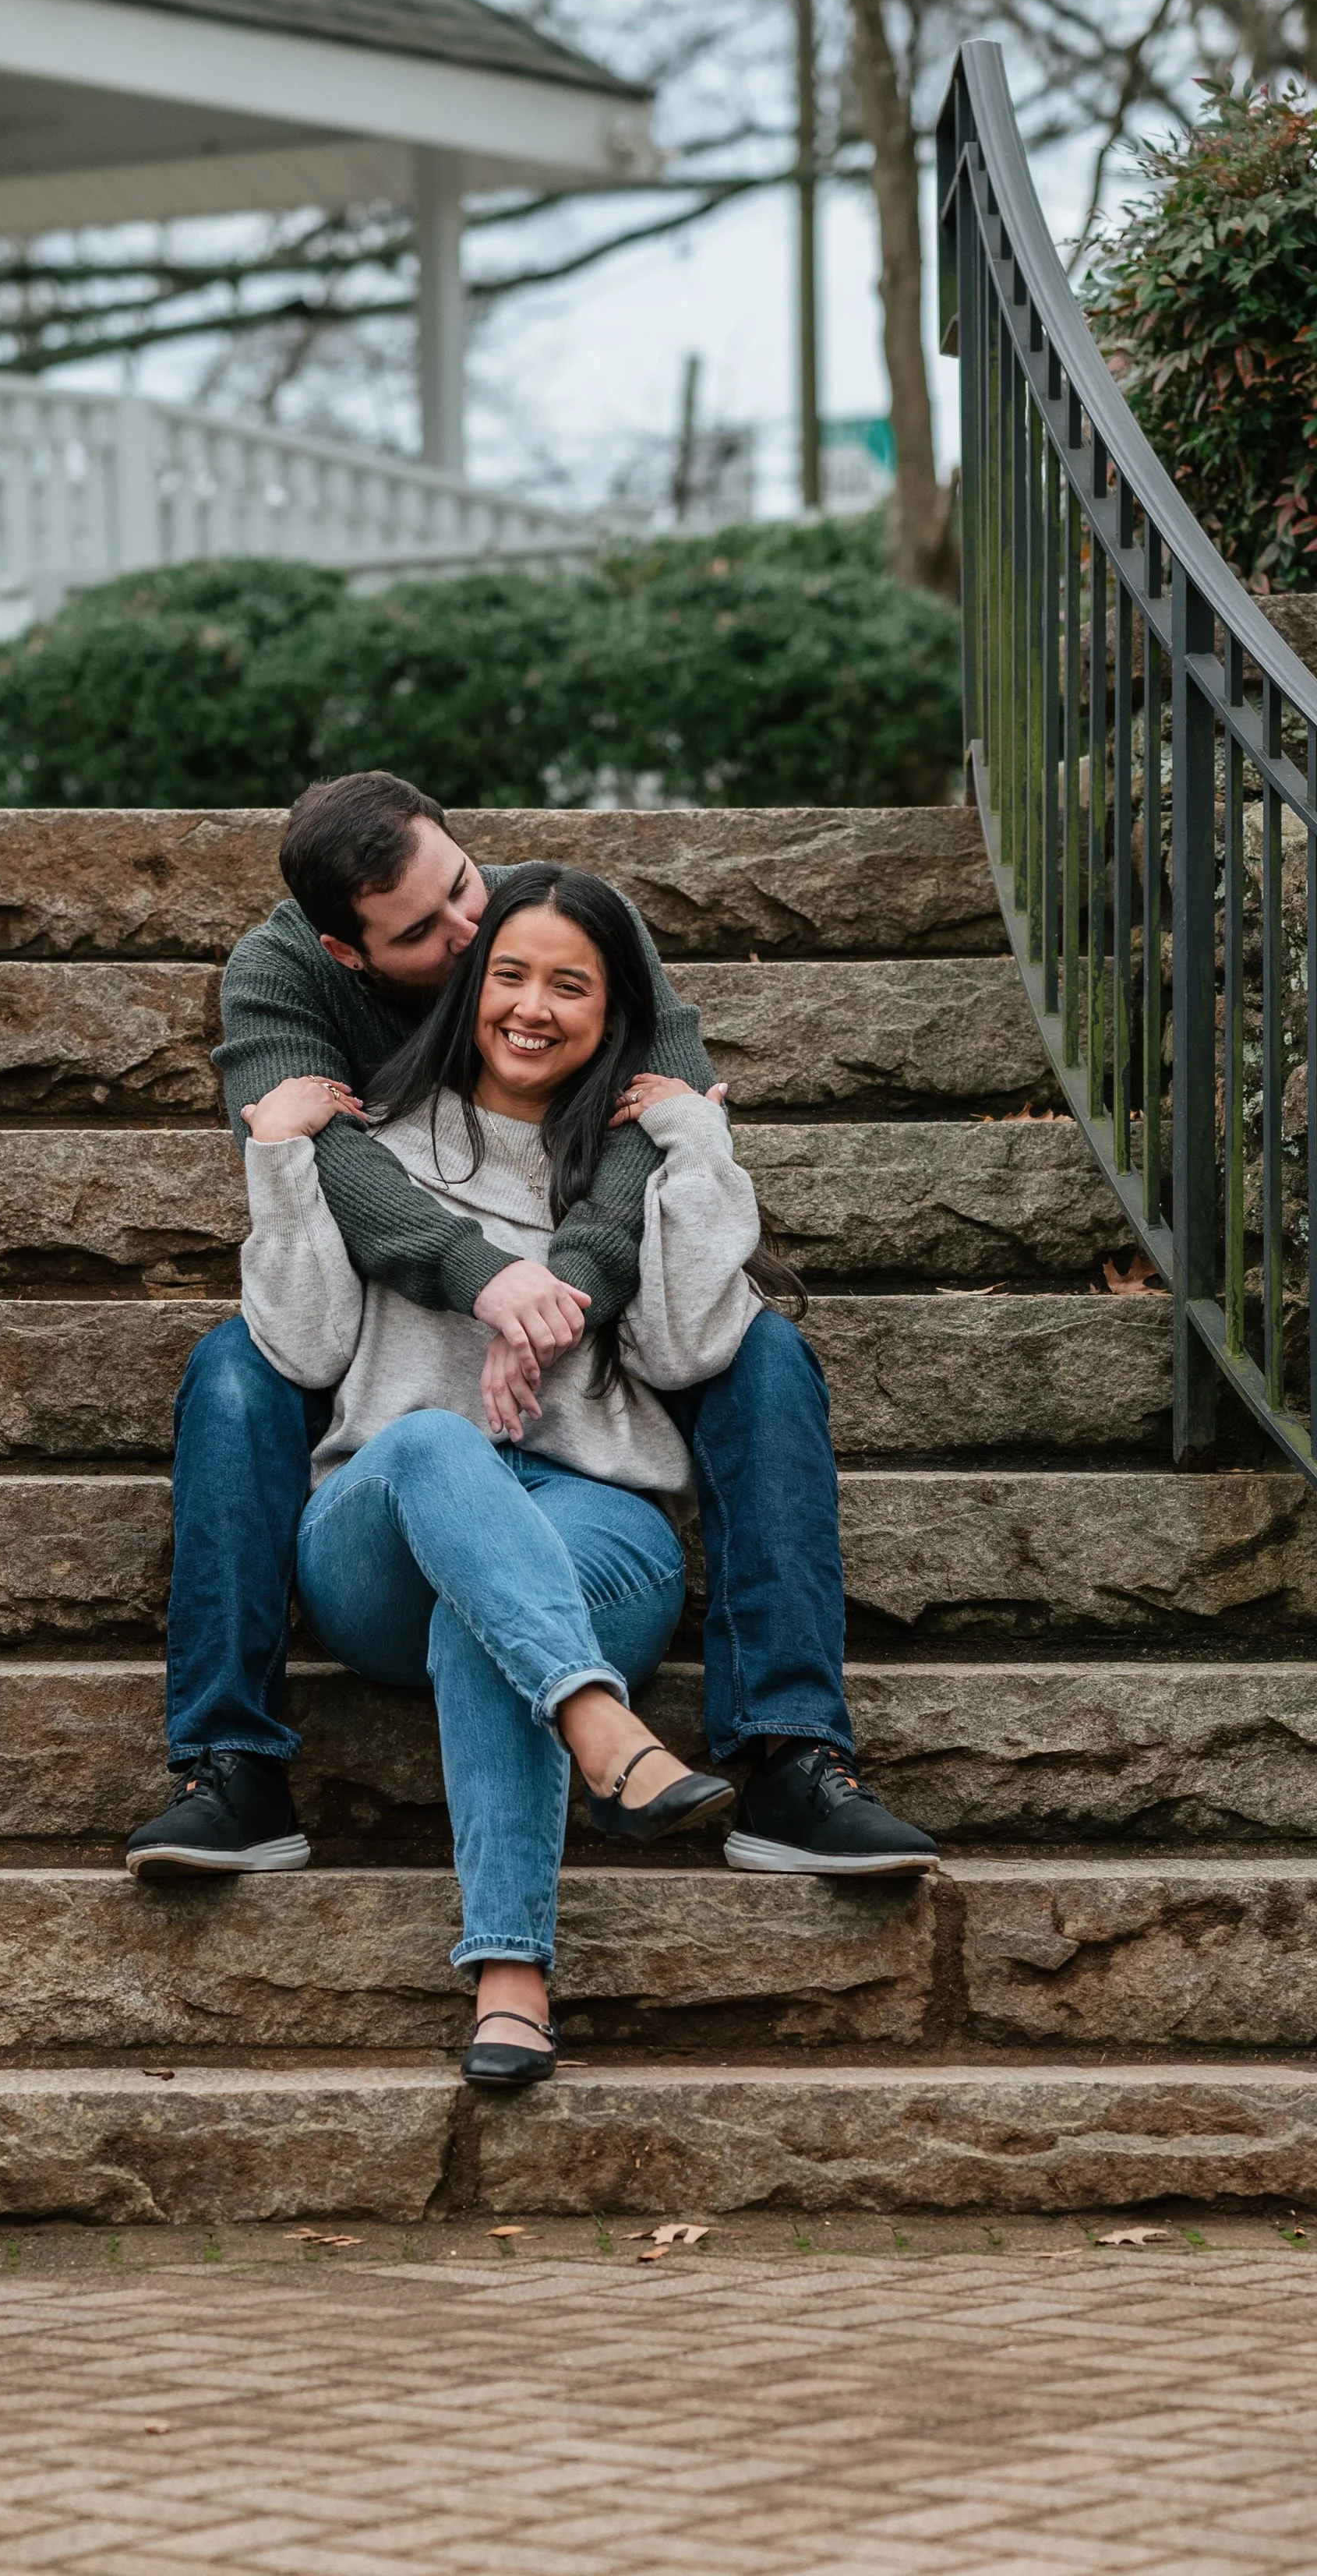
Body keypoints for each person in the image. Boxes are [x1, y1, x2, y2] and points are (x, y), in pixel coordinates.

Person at [125, 771, 937, 1883]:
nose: (472, 935)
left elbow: (664, 1096)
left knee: (767, 1353)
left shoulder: (543, 913)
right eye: (430, 933)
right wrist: (480, 1277)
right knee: (235, 1367)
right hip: (393, 1332)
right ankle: (229, 1763)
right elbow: (330, 1154)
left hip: (579, 1313)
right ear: (347, 952)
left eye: (466, 888)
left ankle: (793, 1756)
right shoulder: (279, 978)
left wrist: (565, 1292)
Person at [231, 866, 751, 2081]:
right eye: (509, 974)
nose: (532, 1006)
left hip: (594, 1521)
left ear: (611, 1010)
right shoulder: (369, 1151)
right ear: (468, 988)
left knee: (497, 1599)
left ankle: (511, 1982)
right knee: (432, 1441)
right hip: (380, 1535)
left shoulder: (629, 1166)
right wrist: (279, 1159)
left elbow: (687, 1349)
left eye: (570, 985)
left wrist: (698, 1141)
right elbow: (301, 1348)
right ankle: (599, 1723)